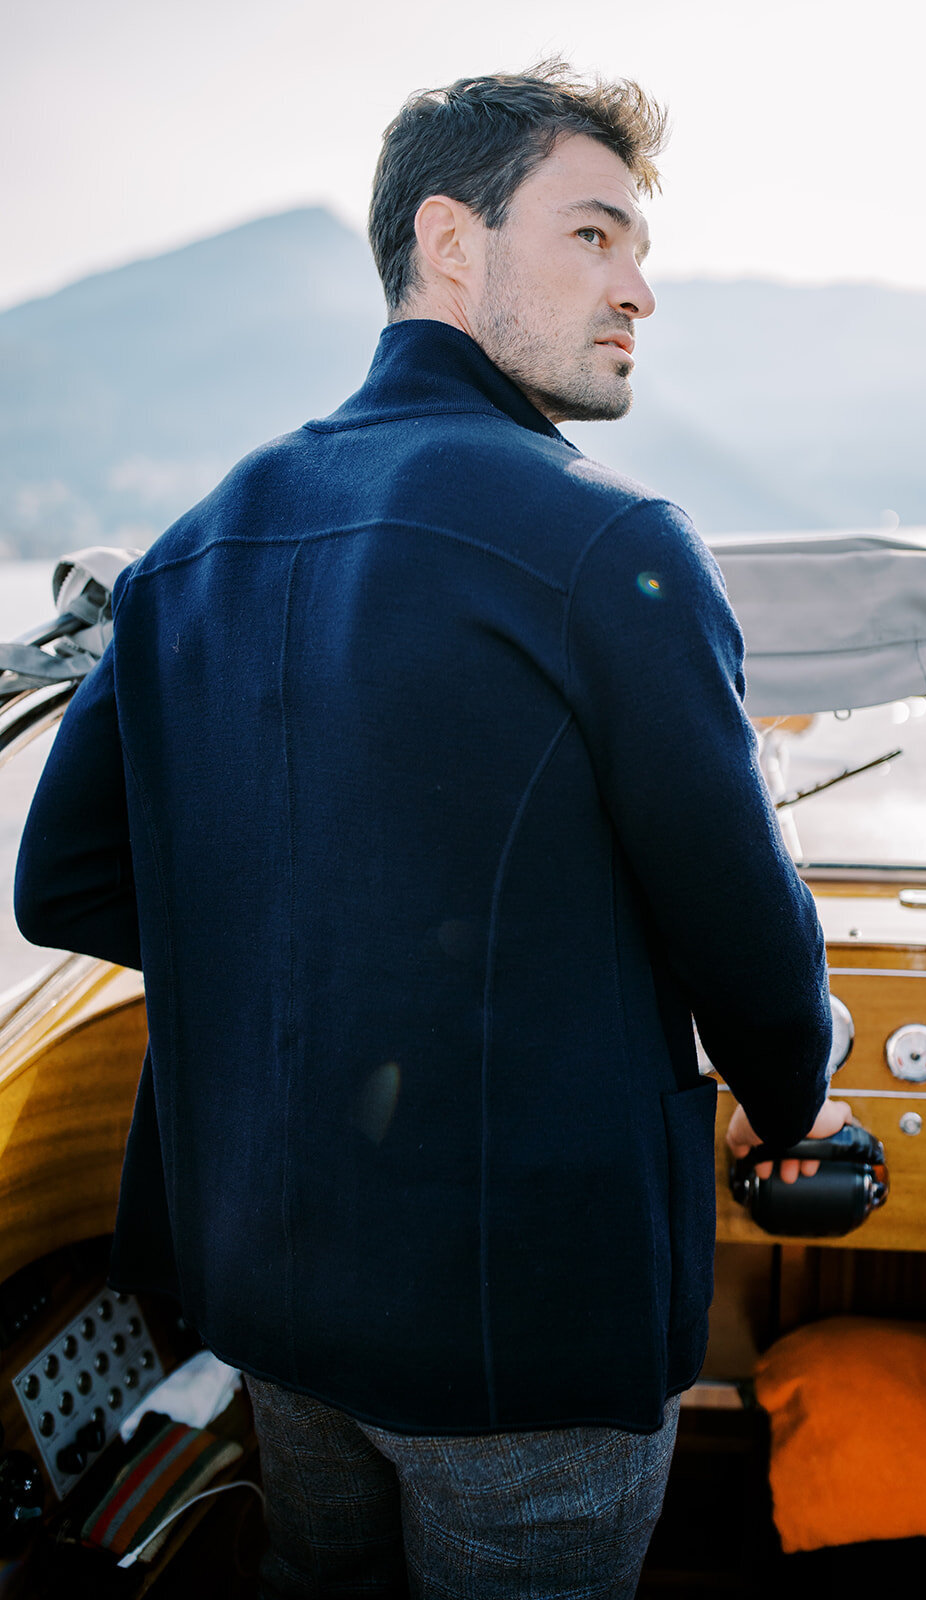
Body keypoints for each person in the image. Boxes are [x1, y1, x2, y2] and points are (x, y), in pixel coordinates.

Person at [15, 62, 844, 1600]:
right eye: (595, 236)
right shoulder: (610, 544)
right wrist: (797, 1101)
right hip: (523, 1341)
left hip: (268, 1304)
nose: (642, 288)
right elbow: (751, 949)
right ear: (450, 243)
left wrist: (293, 930)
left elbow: (62, 880)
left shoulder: (194, 547)